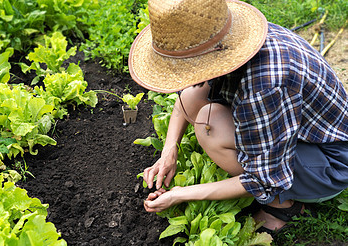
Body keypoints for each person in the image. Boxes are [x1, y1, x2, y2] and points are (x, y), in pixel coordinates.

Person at [128, 0, 348, 233]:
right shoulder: (231, 39)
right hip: (296, 130)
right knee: (195, 98)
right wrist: (168, 152)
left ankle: (282, 207)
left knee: (209, 127)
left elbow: (263, 177)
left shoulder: (263, 88)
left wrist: (181, 194)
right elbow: (187, 98)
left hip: (330, 165)